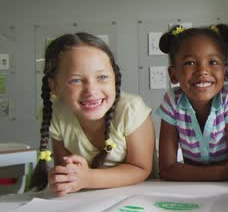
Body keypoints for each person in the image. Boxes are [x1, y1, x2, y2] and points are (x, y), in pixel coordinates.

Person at [31, 33, 154, 196]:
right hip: (87, 202)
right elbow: (66, 168)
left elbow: (141, 169)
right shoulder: (57, 114)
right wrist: (64, 179)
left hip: (139, 198)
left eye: (102, 77)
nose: (91, 90)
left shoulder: (131, 110)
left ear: (115, 78)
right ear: (54, 86)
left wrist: (88, 178)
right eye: (76, 80)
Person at [156, 24, 228, 181]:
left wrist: (184, 172)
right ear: (173, 74)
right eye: (190, 62)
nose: (202, 70)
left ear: (226, 72)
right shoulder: (172, 101)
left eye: (213, 62)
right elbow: (166, 169)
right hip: (193, 189)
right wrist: (222, 172)